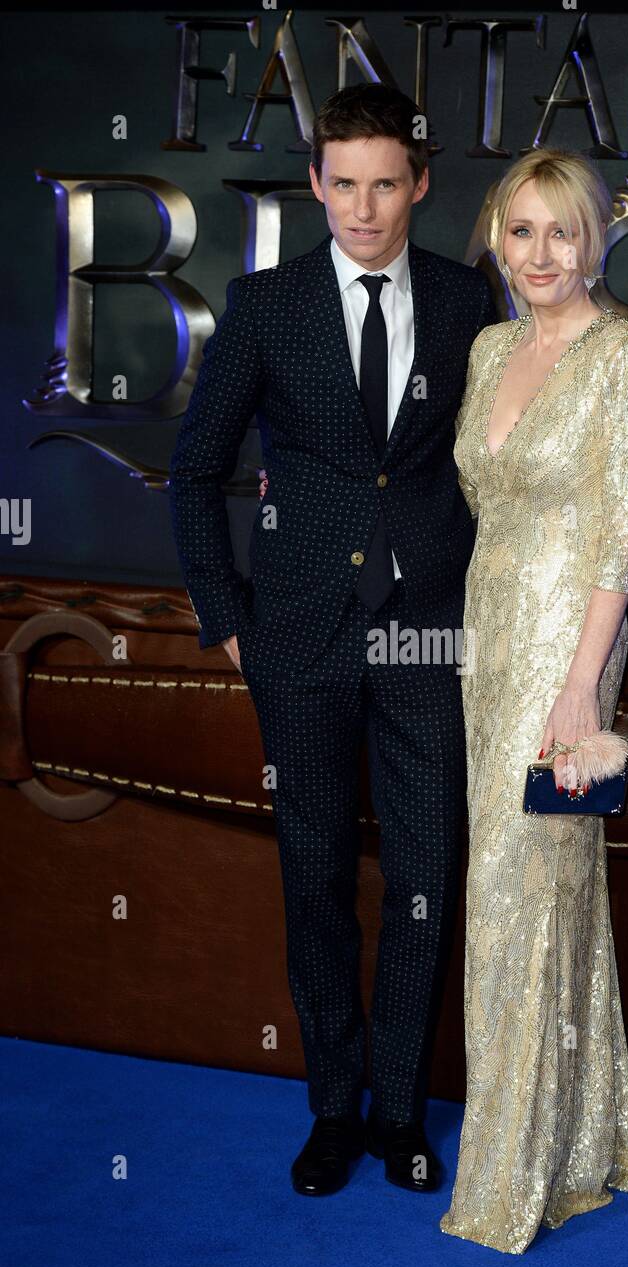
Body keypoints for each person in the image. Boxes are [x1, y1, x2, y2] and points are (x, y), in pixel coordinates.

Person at [168, 83, 497, 1199]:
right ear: (315, 183)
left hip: (423, 637)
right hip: (297, 641)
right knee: (313, 878)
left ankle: (402, 1111)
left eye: (384, 184)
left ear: (417, 184)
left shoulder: (466, 301)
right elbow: (196, 471)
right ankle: (331, 1108)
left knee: (421, 876)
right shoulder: (263, 306)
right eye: (341, 183)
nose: (362, 207)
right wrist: (225, 620)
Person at [438, 148, 628, 1254]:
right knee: (518, 889)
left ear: (594, 242)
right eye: (520, 231)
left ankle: (510, 1174)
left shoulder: (625, 357)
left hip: (567, 653)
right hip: (486, 643)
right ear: (496, 236)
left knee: (527, 884)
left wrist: (580, 688)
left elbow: (620, 541)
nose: (540, 255)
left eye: (562, 233)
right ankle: (583, 1144)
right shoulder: (489, 350)